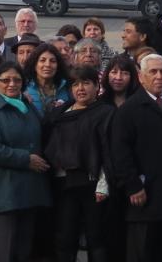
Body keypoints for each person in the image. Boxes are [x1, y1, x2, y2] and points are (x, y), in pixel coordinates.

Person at [107, 53, 162, 258]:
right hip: (145, 197)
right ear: (141, 76)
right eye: (153, 72)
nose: (159, 76)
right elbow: (120, 152)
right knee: (143, 251)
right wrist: (133, 186)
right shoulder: (129, 110)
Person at [0, 60, 49, 262]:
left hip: (30, 190)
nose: (12, 84)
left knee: (23, 252)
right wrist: (26, 159)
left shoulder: (28, 107)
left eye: (17, 80)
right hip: (3, 193)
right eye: (5, 80)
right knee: (3, 253)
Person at [47, 66, 113, 262]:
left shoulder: (105, 112)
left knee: (96, 238)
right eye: (75, 84)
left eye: (86, 83)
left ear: (96, 86)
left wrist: (104, 184)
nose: (80, 88)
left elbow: (108, 151)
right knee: (65, 238)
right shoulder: (60, 112)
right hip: (64, 183)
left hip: (93, 185)